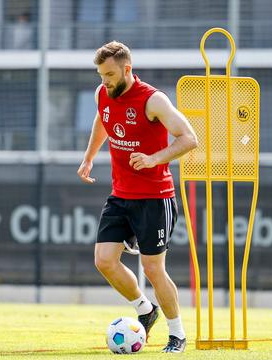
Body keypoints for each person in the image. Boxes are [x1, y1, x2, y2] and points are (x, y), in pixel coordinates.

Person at [77, 41, 198, 353]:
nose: (104, 80)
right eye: (101, 74)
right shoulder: (102, 93)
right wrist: (89, 157)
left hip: (155, 198)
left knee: (154, 268)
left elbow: (189, 139)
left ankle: (177, 335)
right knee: (103, 260)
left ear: (127, 69)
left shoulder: (153, 100)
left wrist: (154, 158)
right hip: (121, 195)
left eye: (110, 74)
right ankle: (145, 310)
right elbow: (104, 120)